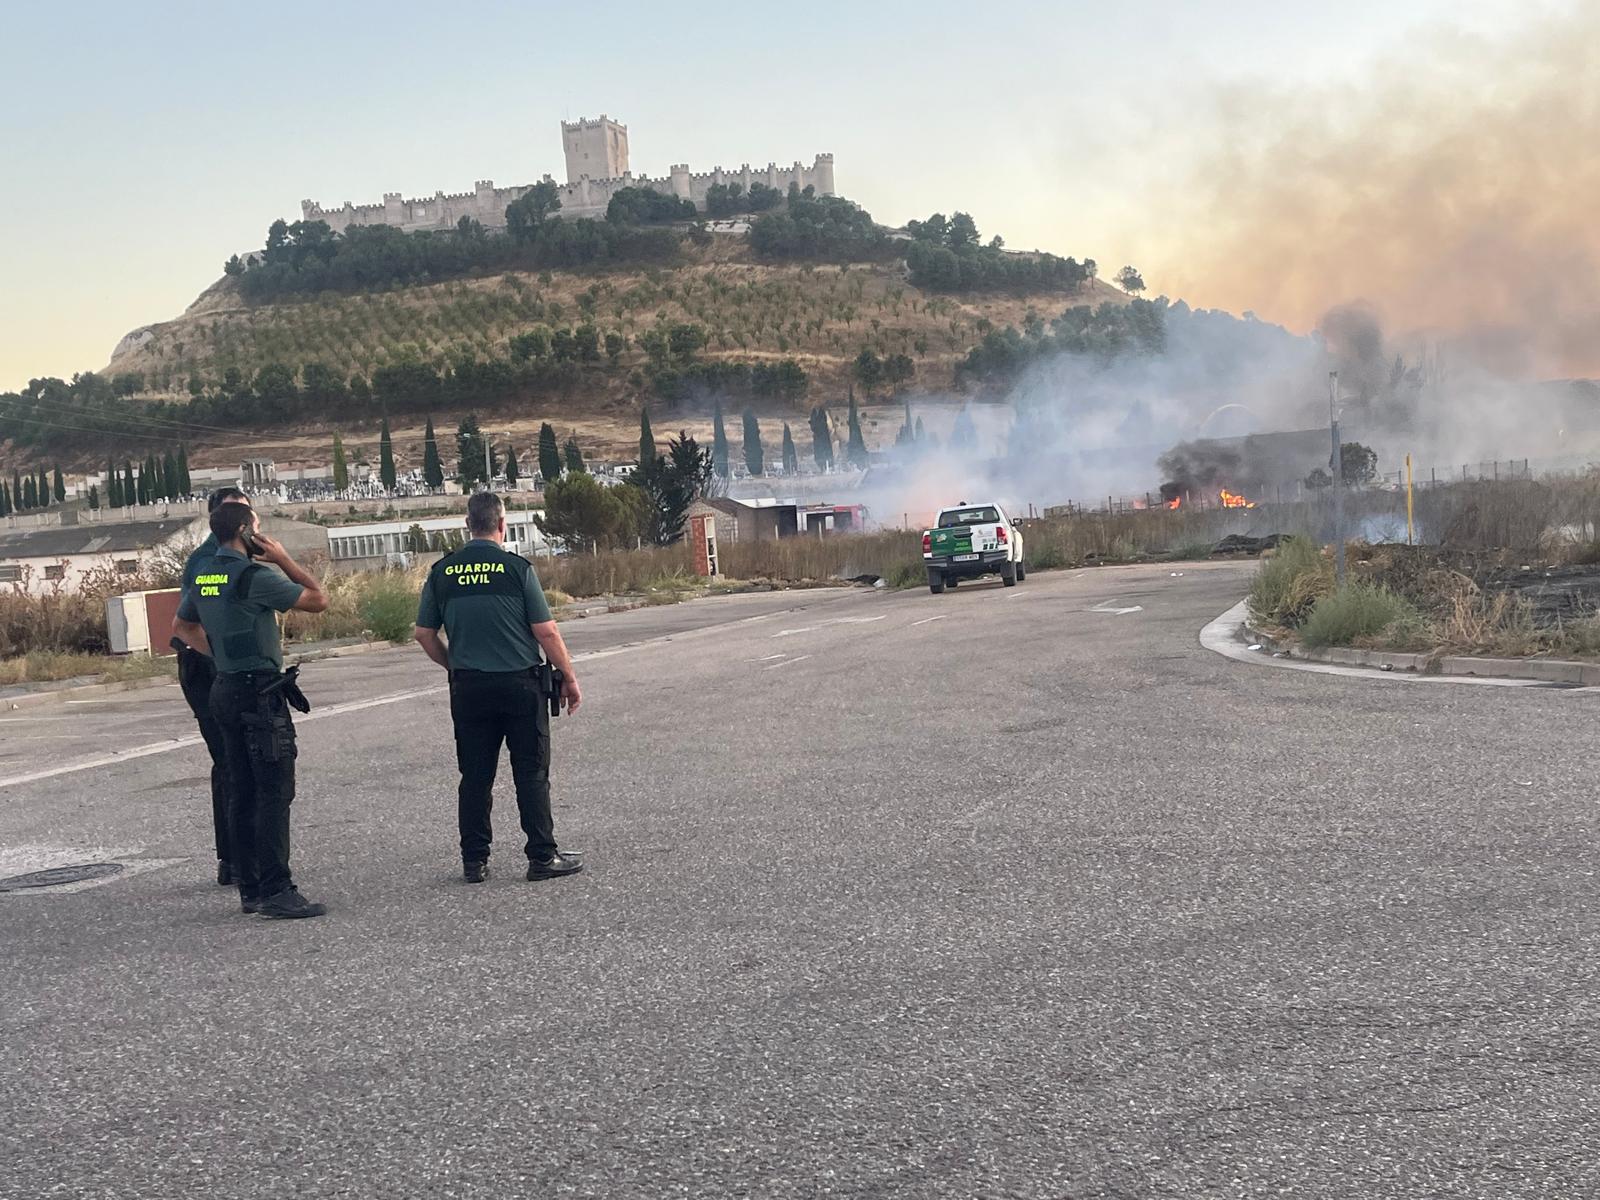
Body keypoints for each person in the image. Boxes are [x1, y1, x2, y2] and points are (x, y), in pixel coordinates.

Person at [414, 492, 584, 885]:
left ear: (467, 525)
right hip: (519, 686)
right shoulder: (516, 569)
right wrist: (569, 678)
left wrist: (453, 664)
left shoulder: (442, 571)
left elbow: (424, 634)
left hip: (469, 688)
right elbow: (546, 631)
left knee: (475, 775)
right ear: (502, 525)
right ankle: (542, 856)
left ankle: (475, 861)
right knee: (530, 772)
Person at [172, 502, 331, 919]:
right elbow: (318, 599)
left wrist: (222, 655)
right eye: (258, 529)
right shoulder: (255, 576)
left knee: (240, 788)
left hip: (224, 688)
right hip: (259, 694)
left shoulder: (205, 574)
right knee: (275, 789)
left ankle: (250, 886)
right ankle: (278, 887)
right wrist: (283, 558)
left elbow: (182, 627)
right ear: (245, 533)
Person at [173, 486, 251, 886]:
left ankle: (239, 857)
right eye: (238, 513)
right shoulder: (208, 560)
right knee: (230, 761)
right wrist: (223, 660)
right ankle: (235, 859)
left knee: (238, 760)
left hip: (220, 664)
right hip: (206, 666)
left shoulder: (238, 557)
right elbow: (192, 623)